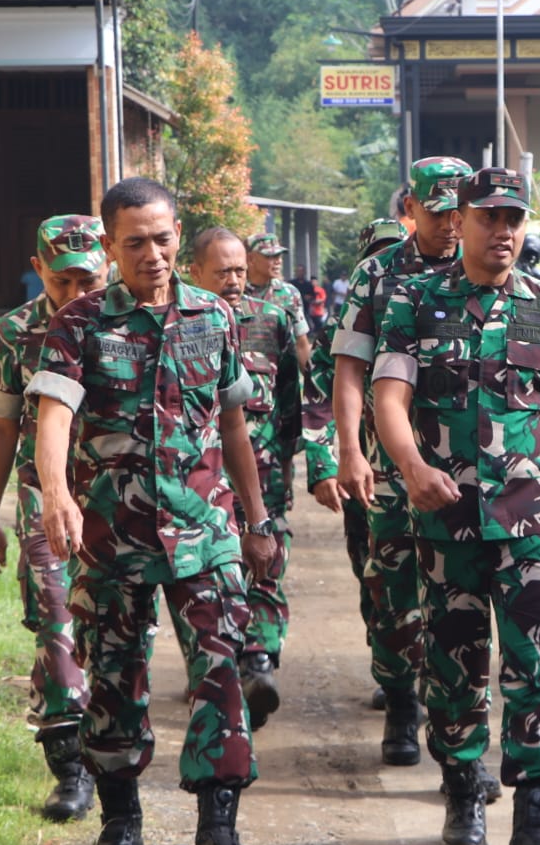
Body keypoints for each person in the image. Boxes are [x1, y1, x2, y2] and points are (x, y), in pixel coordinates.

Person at [371, 166, 540, 845]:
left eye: (514, 217)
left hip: (531, 521)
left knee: (536, 670)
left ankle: (533, 834)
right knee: (453, 667)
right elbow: (389, 394)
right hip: (446, 519)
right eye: (488, 217)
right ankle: (460, 788)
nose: (502, 231)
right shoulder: (415, 300)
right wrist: (410, 465)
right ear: (463, 220)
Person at [27, 177, 276, 845]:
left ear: (178, 236)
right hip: (113, 536)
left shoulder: (214, 316)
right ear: (109, 247)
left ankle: (217, 834)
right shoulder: (78, 324)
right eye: (133, 242)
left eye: (163, 239)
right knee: (114, 680)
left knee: (221, 670)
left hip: (204, 530)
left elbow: (232, 425)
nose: (153, 254)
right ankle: (120, 818)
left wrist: (256, 522)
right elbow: (54, 417)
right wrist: (56, 496)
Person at [332, 157, 476, 775]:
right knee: (392, 591)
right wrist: (348, 449)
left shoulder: (491, 268)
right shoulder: (378, 273)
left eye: (456, 212)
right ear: (409, 210)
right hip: (393, 467)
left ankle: (460, 728)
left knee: (463, 600)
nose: (449, 225)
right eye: (437, 212)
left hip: (473, 467)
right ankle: (397, 701)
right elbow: (350, 371)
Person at [0, 214, 107, 823]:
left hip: (117, 493)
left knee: (118, 626)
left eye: (90, 280)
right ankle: (70, 768)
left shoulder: (129, 321)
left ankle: (115, 752)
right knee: (56, 621)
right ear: (39, 272)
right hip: (42, 496)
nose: (78, 295)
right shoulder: (14, 334)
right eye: (63, 282)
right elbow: (1, 426)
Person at [188, 226, 301, 731]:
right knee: (212, 575)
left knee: (266, 561)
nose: (234, 281)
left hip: (264, 469)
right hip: (202, 479)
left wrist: (291, 458)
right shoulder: (184, 324)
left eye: (239, 271)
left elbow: (295, 400)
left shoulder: (272, 318)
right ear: (196, 273)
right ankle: (223, 664)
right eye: (223, 272)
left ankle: (259, 658)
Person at [302, 218, 407, 709]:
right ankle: (393, 677)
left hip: (419, 476)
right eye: (376, 255)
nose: (384, 265)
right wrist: (325, 465)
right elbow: (318, 401)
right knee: (376, 580)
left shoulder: (423, 314)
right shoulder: (340, 331)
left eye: (393, 253)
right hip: (364, 478)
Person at [244, 233, 313, 370]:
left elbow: (301, 343)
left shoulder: (288, 293)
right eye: (270, 256)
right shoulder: (236, 293)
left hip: (282, 379)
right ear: (250, 258)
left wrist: (310, 382)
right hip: (247, 379)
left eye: (279, 255)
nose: (278, 261)